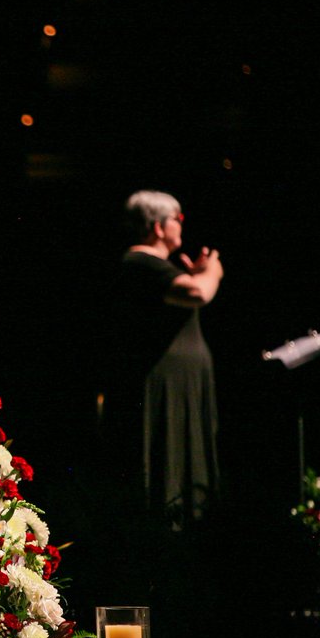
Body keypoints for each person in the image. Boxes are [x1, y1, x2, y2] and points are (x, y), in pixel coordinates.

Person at [110, 190, 224, 525]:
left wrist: (196, 272)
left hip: (179, 382)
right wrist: (211, 271)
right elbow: (197, 293)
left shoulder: (156, 266)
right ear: (158, 227)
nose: (181, 225)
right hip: (165, 385)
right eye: (178, 219)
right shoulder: (140, 262)